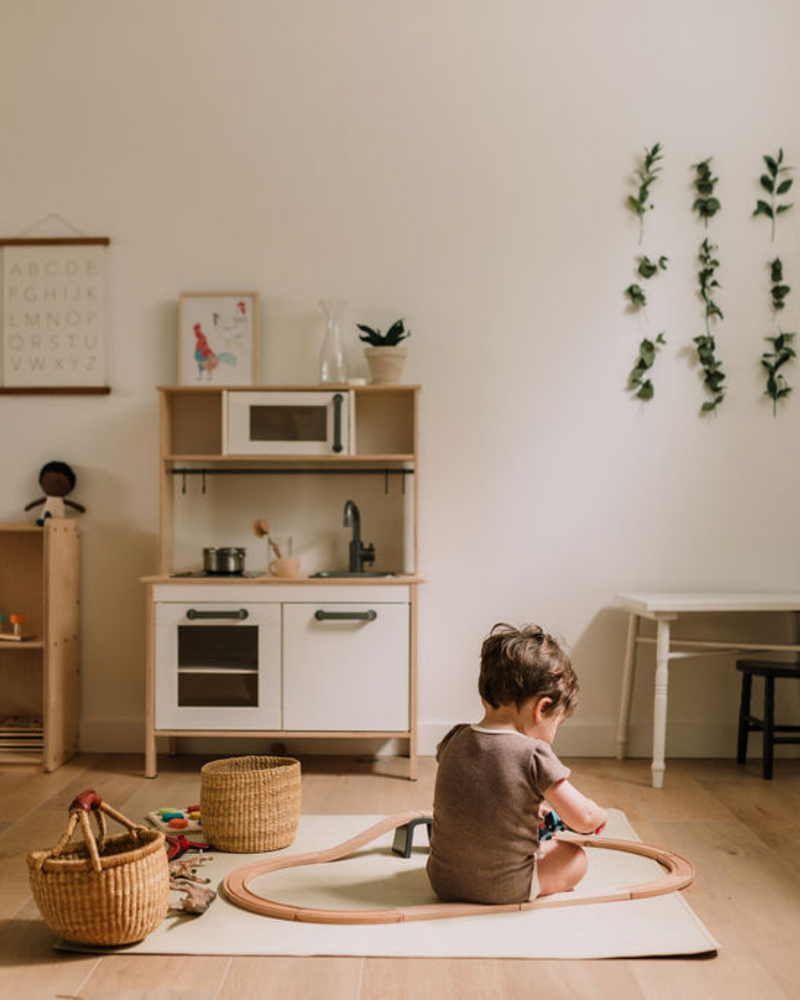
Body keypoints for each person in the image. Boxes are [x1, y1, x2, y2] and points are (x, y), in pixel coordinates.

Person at [427, 622, 607, 905]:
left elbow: (481, 786)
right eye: (557, 722)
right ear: (542, 708)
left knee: (541, 842)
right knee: (575, 858)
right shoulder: (534, 753)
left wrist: (526, 806)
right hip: (505, 888)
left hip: (443, 880)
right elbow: (582, 819)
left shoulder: (454, 738)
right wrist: (598, 814)